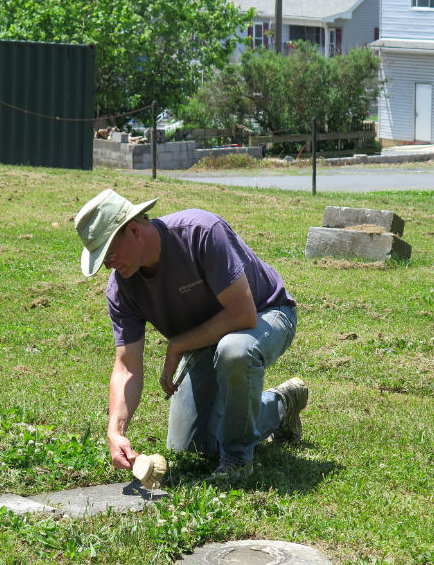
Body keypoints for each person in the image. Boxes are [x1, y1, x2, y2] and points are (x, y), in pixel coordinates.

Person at [74, 189, 307, 479]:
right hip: (206, 341)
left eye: (108, 254)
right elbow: (126, 366)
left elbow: (242, 313)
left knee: (234, 350)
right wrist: (115, 429)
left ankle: (237, 461)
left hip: (265, 315)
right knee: (193, 445)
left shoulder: (201, 232)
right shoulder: (121, 288)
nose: (108, 265)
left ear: (133, 230)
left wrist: (178, 345)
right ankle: (283, 403)